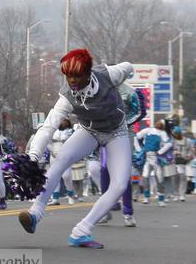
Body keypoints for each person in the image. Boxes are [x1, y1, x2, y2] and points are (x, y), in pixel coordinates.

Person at [20, 49, 134, 249]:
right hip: (89, 130)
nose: (71, 80)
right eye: (68, 76)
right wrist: (33, 155)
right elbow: (48, 127)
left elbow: (128, 66)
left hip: (117, 132)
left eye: (76, 76)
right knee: (61, 160)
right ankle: (35, 212)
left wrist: (126, 81)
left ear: (88, 73)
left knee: (119, 185)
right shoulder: (66, 97)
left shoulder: (109, 74)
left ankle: (81, 230)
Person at [135, 121, 171, 207]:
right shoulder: (148, 130)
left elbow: (169, 144)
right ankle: (146, 197)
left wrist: (160, 151)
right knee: (145, 177)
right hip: (147, 157)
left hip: (156, 158)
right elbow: (137, 136)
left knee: (160, 178)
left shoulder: (162, 133)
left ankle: (161, 199)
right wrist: (139, 149)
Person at [48, 118, 76, 205]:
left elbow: (74, 143)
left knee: (66, 176)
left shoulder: (71, 131)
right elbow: (48, 142)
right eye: (61, 120)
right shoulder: (53, 131)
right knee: (54, 176)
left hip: (65, 155)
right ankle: (55, 198)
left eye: (64, 120)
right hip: (53, 155)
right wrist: (51, 150)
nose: (62, 122)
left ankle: (70, 195)